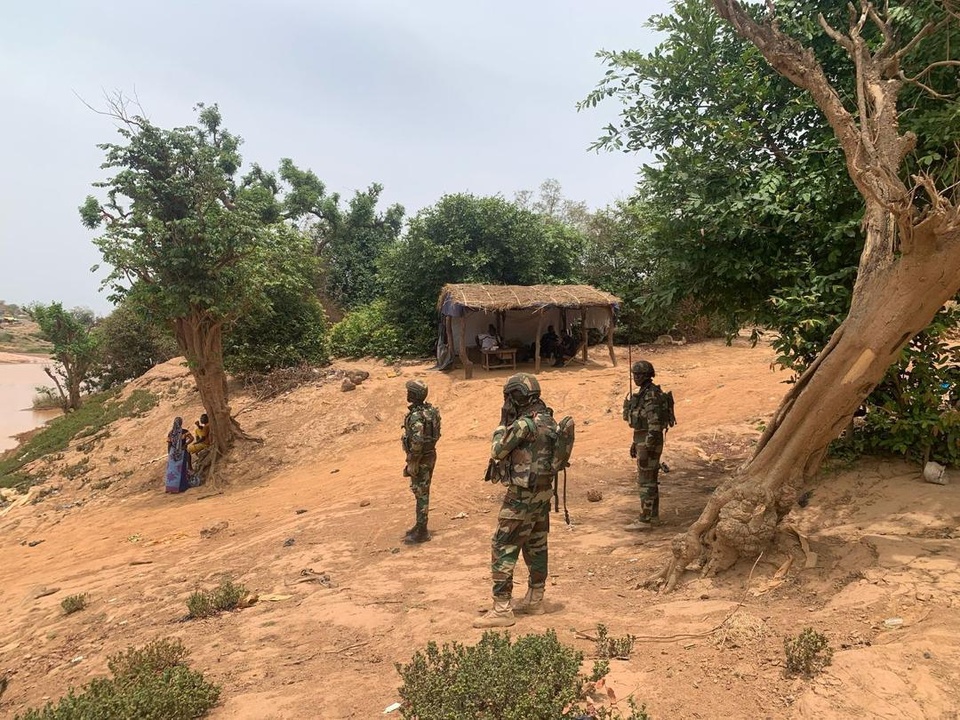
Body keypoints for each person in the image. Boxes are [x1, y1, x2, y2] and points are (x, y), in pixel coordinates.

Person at [474, 373, 558, 628]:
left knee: (503, 545)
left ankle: (502, 609)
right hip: (543, 493)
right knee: (536, 544)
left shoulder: (523, 424)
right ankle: (535, 599)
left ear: (516, 396)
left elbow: (498, 450)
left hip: (520, 496)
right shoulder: (549, 420)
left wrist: (501, 425)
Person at [622, 360, 665, 529]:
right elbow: (641, 425)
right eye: (634, 375)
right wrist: (635, 443)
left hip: (649, 442)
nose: (635, 378)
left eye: (639, 375)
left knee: (646, 481)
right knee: (649, 479)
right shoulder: (643, 394)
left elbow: (654, 424)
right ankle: (652, 517)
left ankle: (645, 519)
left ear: (648, 376)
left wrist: (647, 445)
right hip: (643, 440)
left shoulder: (651, 395)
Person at [401, 380, 441, 544]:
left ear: (415, 395)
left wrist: (413, 460)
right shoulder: (430, 411)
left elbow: (417, 441)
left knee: (421, 493)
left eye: (410, 392)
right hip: (430, 454)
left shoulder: (417, 416)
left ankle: (422, 531)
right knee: (421, 491)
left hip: (421, 457)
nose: (407, 394)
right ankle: (419, 525)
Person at [164, 417, 194, 494]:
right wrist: (185, 444)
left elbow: (169, 444)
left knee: (172, 471)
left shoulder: (171, 433)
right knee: (181, 470)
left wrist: (169, 454)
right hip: (182, 452)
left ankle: (170, 488)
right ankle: (181, 487)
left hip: (172, 453)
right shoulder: (184, 432)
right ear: (181, 423)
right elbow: (192, 438)